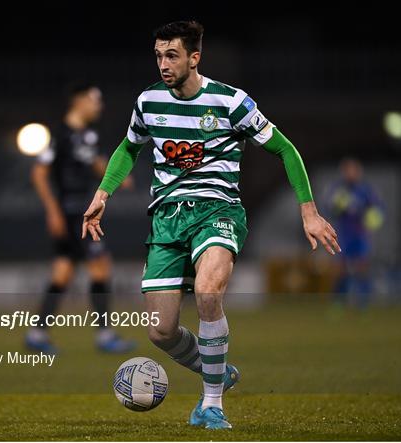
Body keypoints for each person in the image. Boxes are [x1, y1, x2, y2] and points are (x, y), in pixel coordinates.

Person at [82, 21, 340, 429]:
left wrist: (309, 211)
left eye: (172, 56)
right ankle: (217, 370)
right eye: (158, 55)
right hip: (167, 220)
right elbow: (128, 148)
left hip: (217, 211)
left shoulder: (231, 102)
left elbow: (285, 149)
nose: (163, 64)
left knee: (207, 292)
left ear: (194, 57)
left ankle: (212, 403)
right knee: (161, 332)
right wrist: (102, 194)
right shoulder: (148, 102)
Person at [25, 81, 136, 355]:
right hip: (72, 213)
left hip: (77, 212)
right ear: (80, 102)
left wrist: (117, 177)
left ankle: (37, 334)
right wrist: (53, 211)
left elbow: (95, 163)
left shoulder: (87, 136)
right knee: (101, 266)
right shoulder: (60, 134)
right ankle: (105, 335)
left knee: (62, 273)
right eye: (95, 100)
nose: (100, 106)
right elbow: (38, 174)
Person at [325, 158, 383, 306]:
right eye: (348, 170)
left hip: (360, 235)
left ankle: (363, 304)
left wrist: (372, 219)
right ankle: (338, 303)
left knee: (361, 269)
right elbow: (330, 210)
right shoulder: (338, 189)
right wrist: (338, 206)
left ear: (358, 172)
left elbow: (378, 210)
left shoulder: (365, 191)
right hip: (343, 235)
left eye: (354, 170)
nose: (351, 174)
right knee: (340, 270)